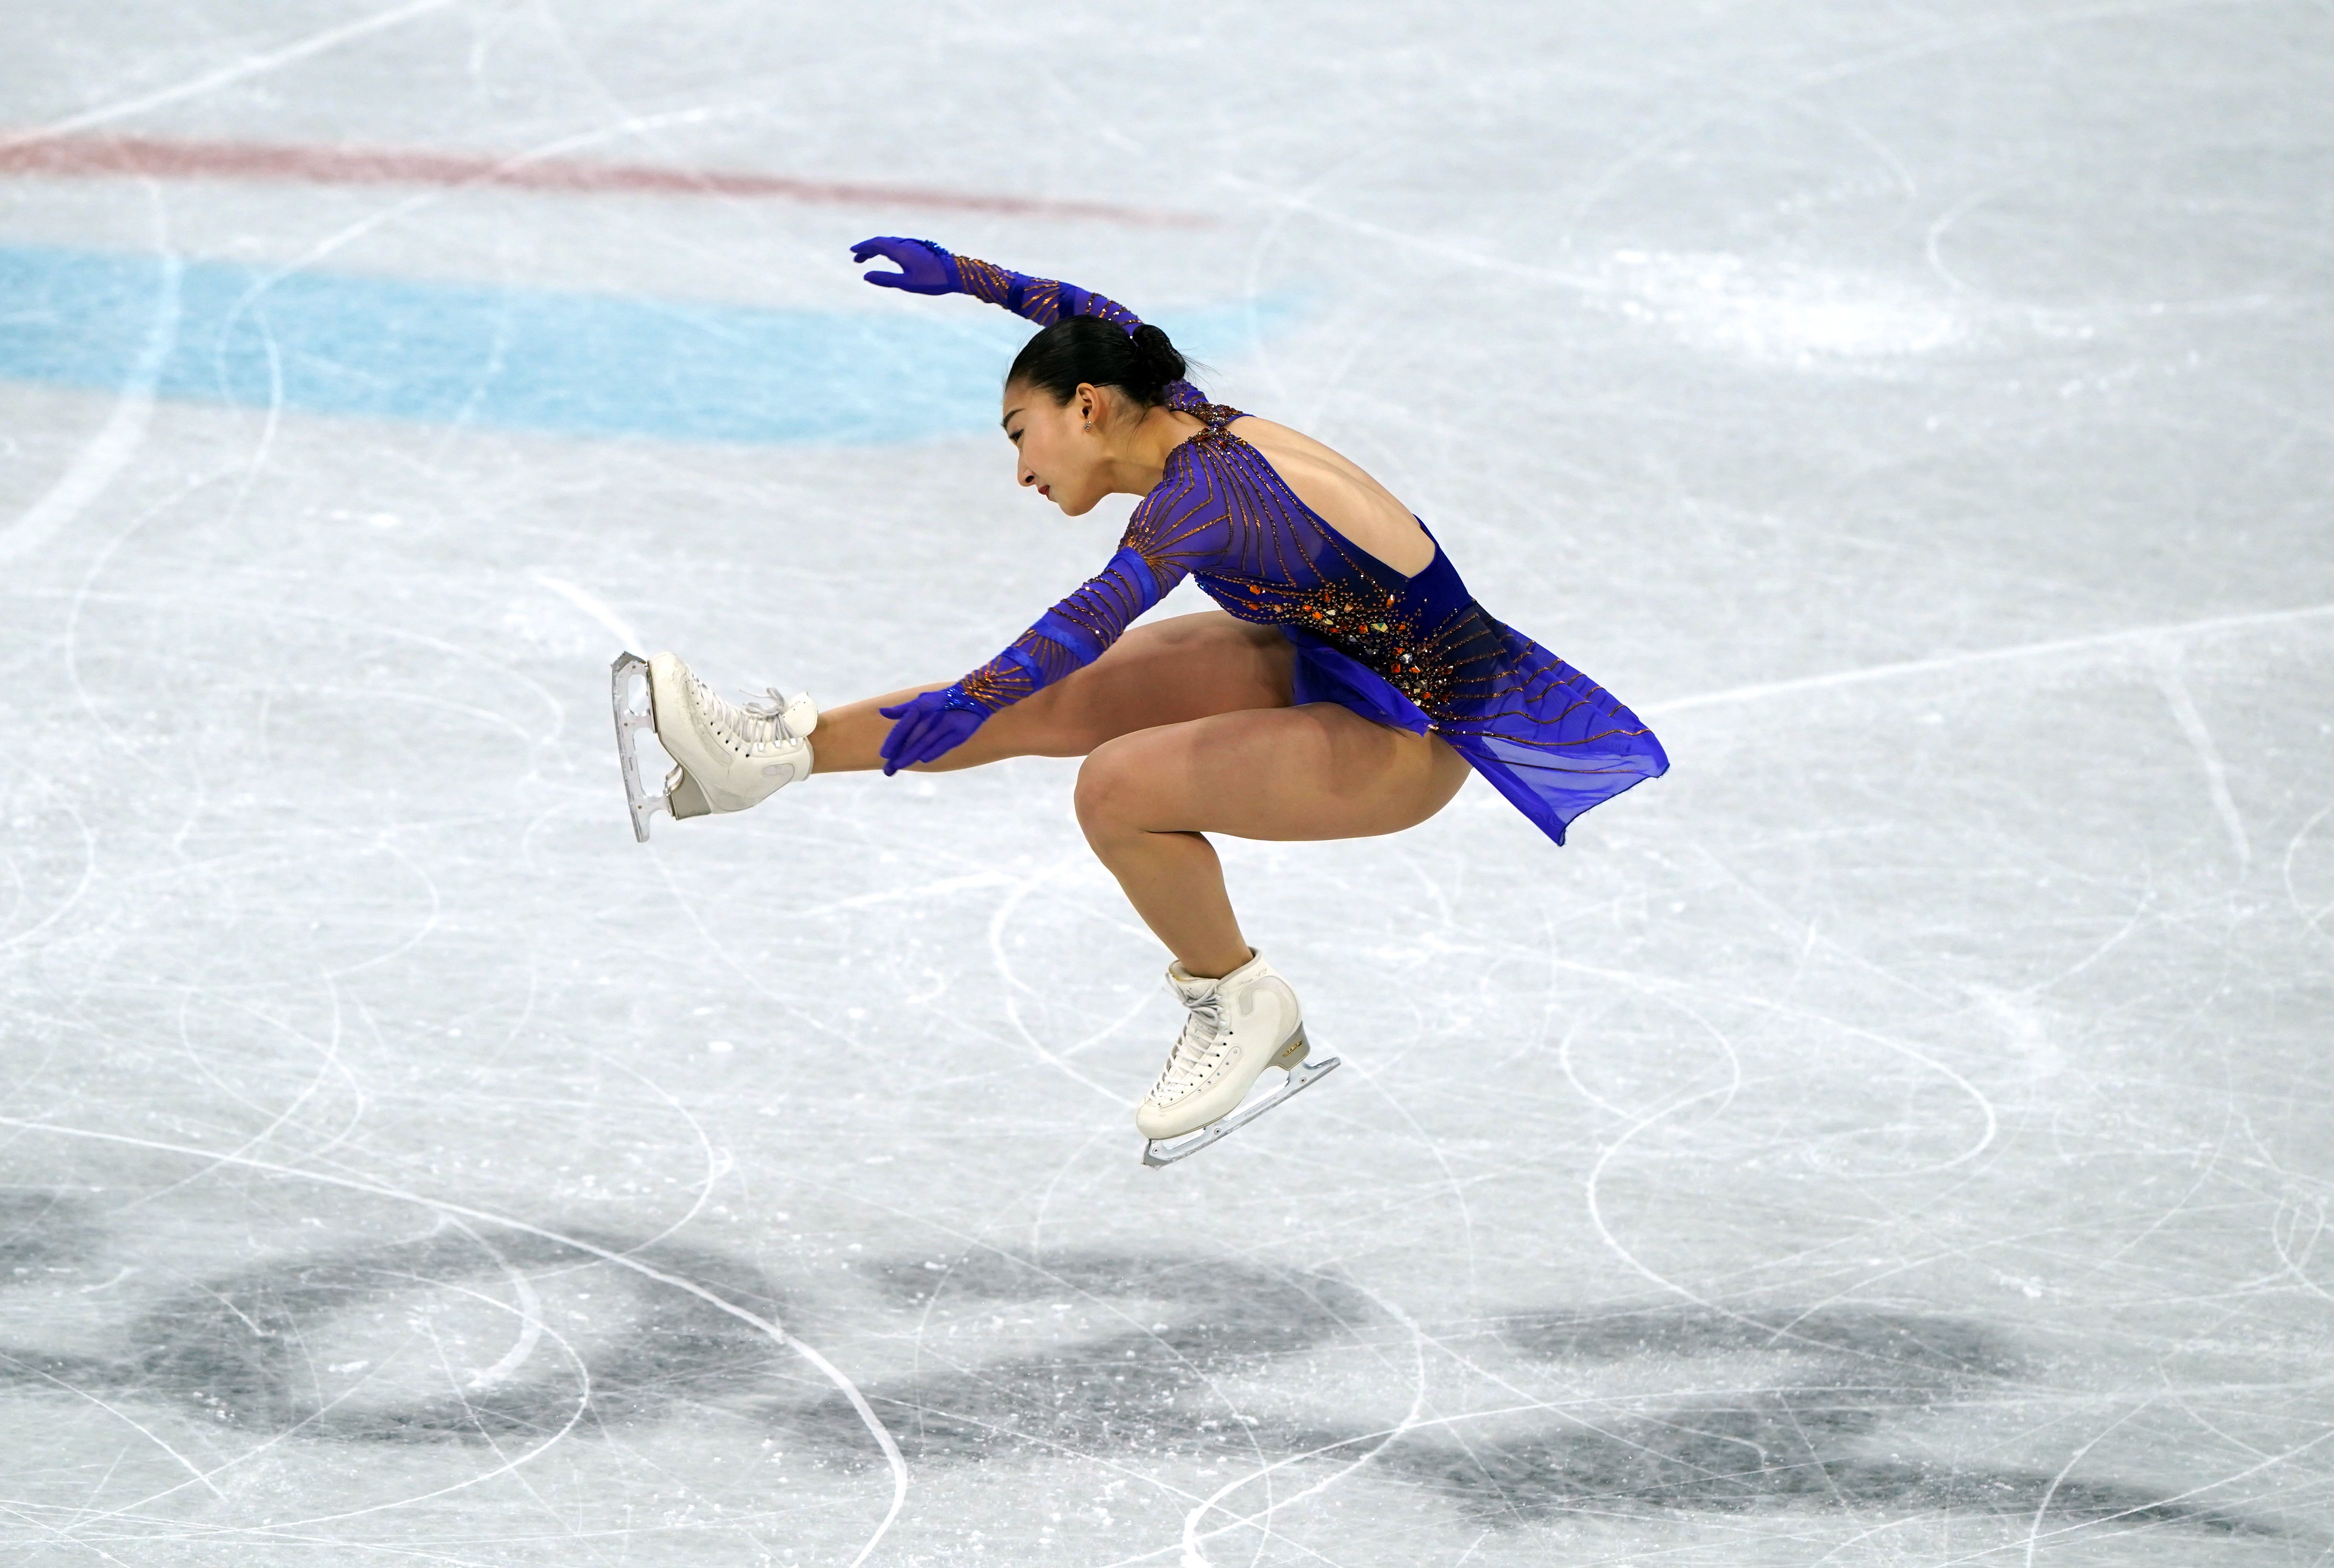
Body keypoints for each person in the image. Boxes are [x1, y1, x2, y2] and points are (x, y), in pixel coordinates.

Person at [619, 237, 1668, 1162]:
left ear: (1087, 410)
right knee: (1050, 705)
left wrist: (981, 689)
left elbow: (1093, 612)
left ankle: (1239, 997)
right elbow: (1083, 314)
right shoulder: (1163, 406)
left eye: (1018, 432)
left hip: (1415, 731)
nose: (1021, 468)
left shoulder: (1200, 497)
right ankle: (765, 758)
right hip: (1334, 658)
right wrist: (970, 279)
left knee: (1116, 784)